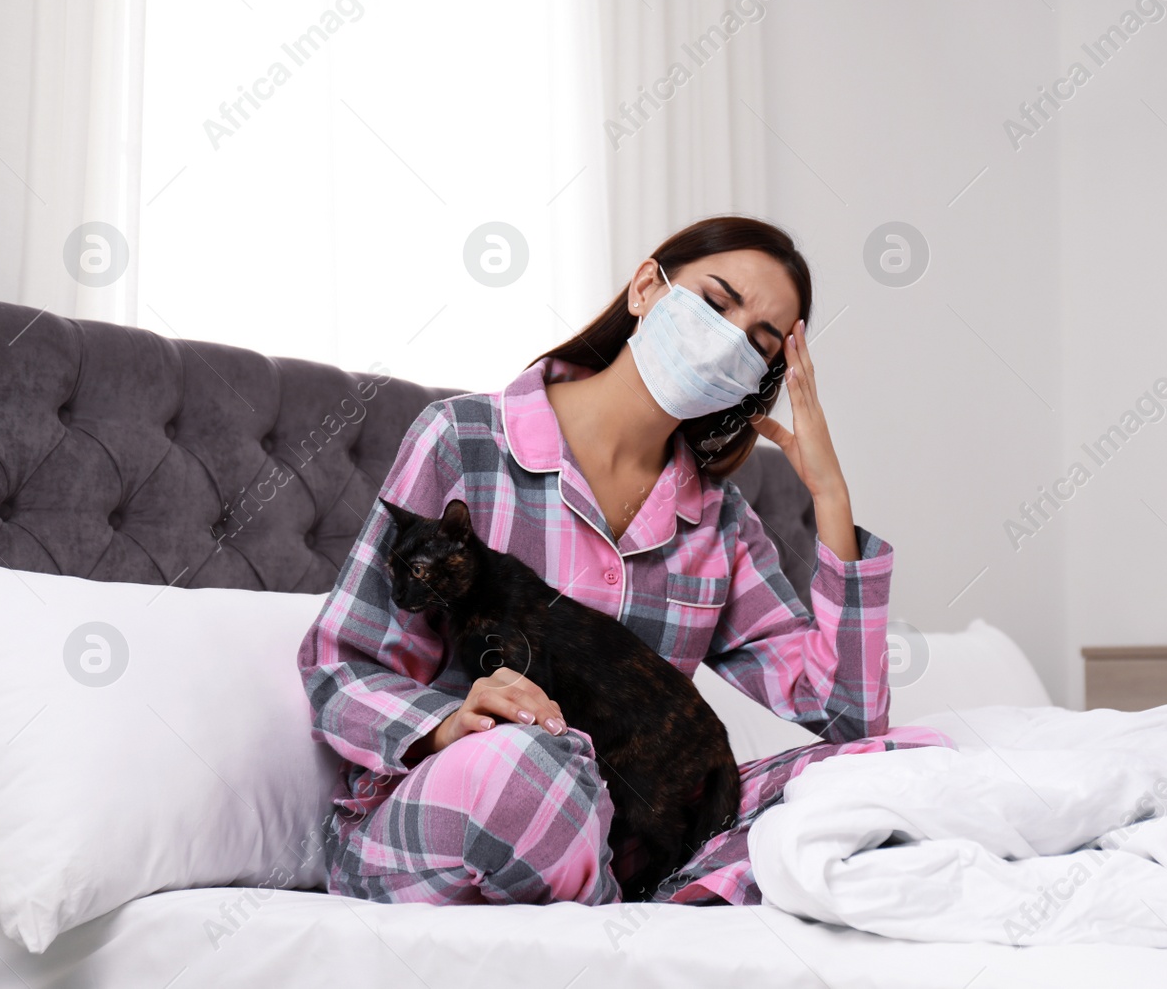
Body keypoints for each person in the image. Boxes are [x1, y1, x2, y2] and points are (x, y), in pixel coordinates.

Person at [297, 215, 952, 906]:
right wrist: (450, 721)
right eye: (715, 302)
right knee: (527, 768)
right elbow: (340, 666)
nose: (727, 340)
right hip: (454, 805)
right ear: (646, 286)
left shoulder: (720, 525)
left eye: (758, 343)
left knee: (899, 765)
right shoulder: (462, 442)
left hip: (626, 839)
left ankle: (641, 892)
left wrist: (828, 494)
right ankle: (668, 896)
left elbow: (848, 717)